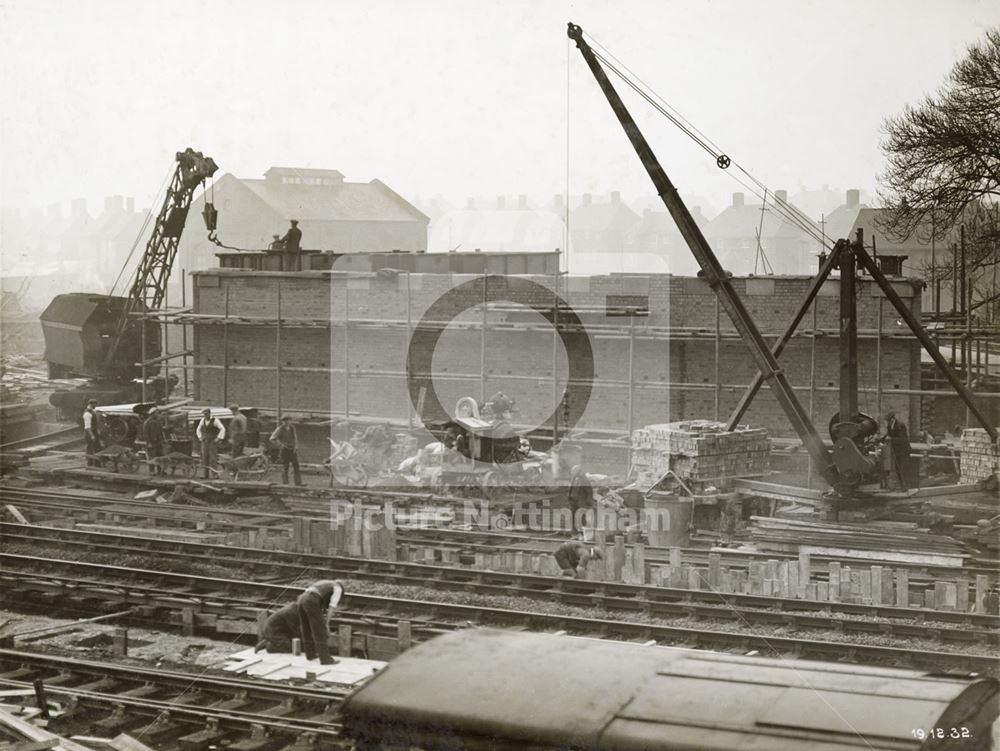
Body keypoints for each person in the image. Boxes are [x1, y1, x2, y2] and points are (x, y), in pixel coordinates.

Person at [296, 579, 344, 664]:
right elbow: (332, 607)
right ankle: (325, 659)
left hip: (301, 599)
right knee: (320, 631)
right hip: (311, 600)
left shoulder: (323, 582)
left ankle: (310, 655)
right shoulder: (338, 588)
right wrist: (326, 623)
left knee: (306, 628)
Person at [883, 411, 912, 491]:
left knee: (902, 468)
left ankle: (906, 486)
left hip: (903, 450)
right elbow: (888, 434)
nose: (888, 422)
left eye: (889, 420)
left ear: (893, 419)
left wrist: (891, 439)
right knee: (897, 468)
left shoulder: (900, 425)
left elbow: (903, 439)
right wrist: (880, 439)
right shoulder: (890, 425)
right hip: (897, 450)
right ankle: (901, 485)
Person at [270, 414, 302, 486]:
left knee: (296, 465)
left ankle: (298, 482)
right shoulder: (280, 429)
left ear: (290, 421)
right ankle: (285, 483)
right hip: (285, 450)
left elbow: (295, 438)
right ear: (282, 421)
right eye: (285, 420)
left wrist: (296, 446)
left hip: (292, 449)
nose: (286, 422)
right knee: (285, 466)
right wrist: (281, 445)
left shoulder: (292, 428)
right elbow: (272, 438)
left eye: (288, 420)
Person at [195, 408, 226, 478]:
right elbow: (198, 429)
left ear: (209, 413)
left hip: (212, 442)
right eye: (204, 414)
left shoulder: (215, 420)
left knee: (213, 458)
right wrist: (200, 437)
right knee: (204, 458)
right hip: (205, 442)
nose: (205, 416)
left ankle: (215, 475)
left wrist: (218, 438)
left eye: (206, 414)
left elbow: (222, 428)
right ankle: (205, 475)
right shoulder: (202, 420)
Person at [567, 465, 593, 533]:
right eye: (572, 471)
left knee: (581, 517)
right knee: (572, 516)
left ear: (578, 471)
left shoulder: (584, 480)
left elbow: (589, 492)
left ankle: (582, 531)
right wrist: (569, 497)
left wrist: (587, 502)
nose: (572, 472)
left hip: (581, 501)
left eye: (573, 471)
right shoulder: (573, 478)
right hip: (573, 500)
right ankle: (573, 531)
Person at [142, 407, 165, 475]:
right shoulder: (147, 423)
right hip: (151, 442)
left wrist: (163, 440)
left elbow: (161, 432)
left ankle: (160, 470)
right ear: (152, 414)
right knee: (152, 457)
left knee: (160, 456)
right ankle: (151, 471)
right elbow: (145, 434)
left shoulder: (158, 421)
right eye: (156, 413)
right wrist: (148, 443)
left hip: (158, 442)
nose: (157, 414)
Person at [82, 399, 102, 467]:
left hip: (93, 432)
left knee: (96, 447)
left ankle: (96, 463)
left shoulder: (92, 411)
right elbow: (87, 427)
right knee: (90, 448)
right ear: (91, 404)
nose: (96, 406)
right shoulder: (87, 414)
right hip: (89, 434)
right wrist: (92, 436)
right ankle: (90, 463)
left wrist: (97, 431)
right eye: (95, 405)